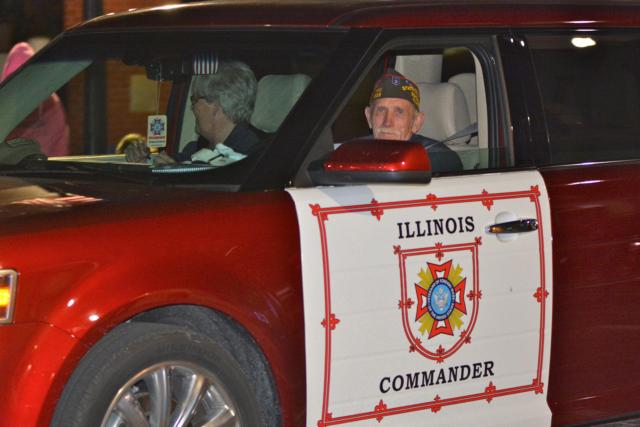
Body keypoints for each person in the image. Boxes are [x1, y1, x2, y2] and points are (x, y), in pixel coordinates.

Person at [126, 60, 262, 166]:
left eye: (195, 99)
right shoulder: (194, 150)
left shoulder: (252, 156)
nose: (192, 108)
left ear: (215, 105)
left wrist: (180, 177)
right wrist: (144, 162)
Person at [364, 70, 463, 172]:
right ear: (369, 117)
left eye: (399, 112)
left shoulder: (439, 158)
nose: (387, 122)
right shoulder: (352, 152)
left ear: (416, 122)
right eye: (381, 110)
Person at [2, 41, 70, 157]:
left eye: (29, 90)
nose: (25, 103)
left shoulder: (53, 108)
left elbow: (60, 156)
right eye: (18, 92)